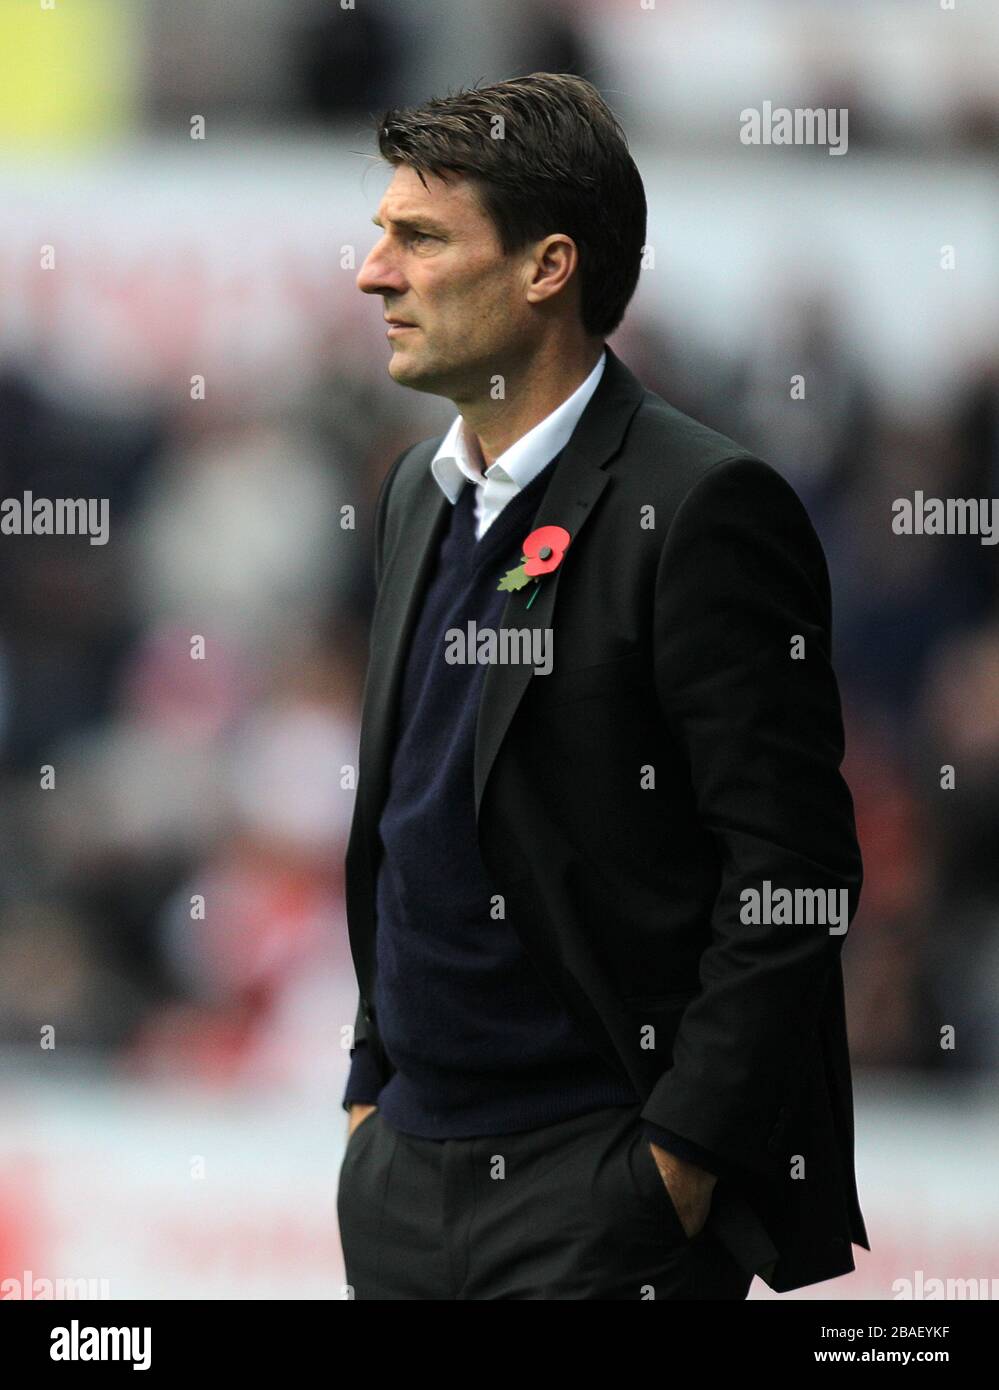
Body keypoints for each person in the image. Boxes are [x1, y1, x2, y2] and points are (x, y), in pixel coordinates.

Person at [336, 72, 869, 1300]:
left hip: (599, 1191)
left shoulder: (703, 508)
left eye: (417, 238)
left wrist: (680, 1159)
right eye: (379, 237)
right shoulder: (418, 492)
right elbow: (412, 822)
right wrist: (372, 1093)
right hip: (405, 1180)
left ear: (547, 268)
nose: (374, 274)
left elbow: (794, 870)